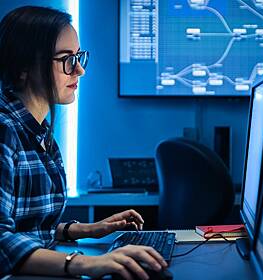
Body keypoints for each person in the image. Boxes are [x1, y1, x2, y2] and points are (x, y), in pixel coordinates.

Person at [0, 6, 167, 279]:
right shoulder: (4, 131)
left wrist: (88, 229)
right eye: (66, 59)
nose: (79, 70)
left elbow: (27, 229)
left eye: (78, 57)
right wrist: (83, 263)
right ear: (23, 68)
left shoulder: (39, 134)